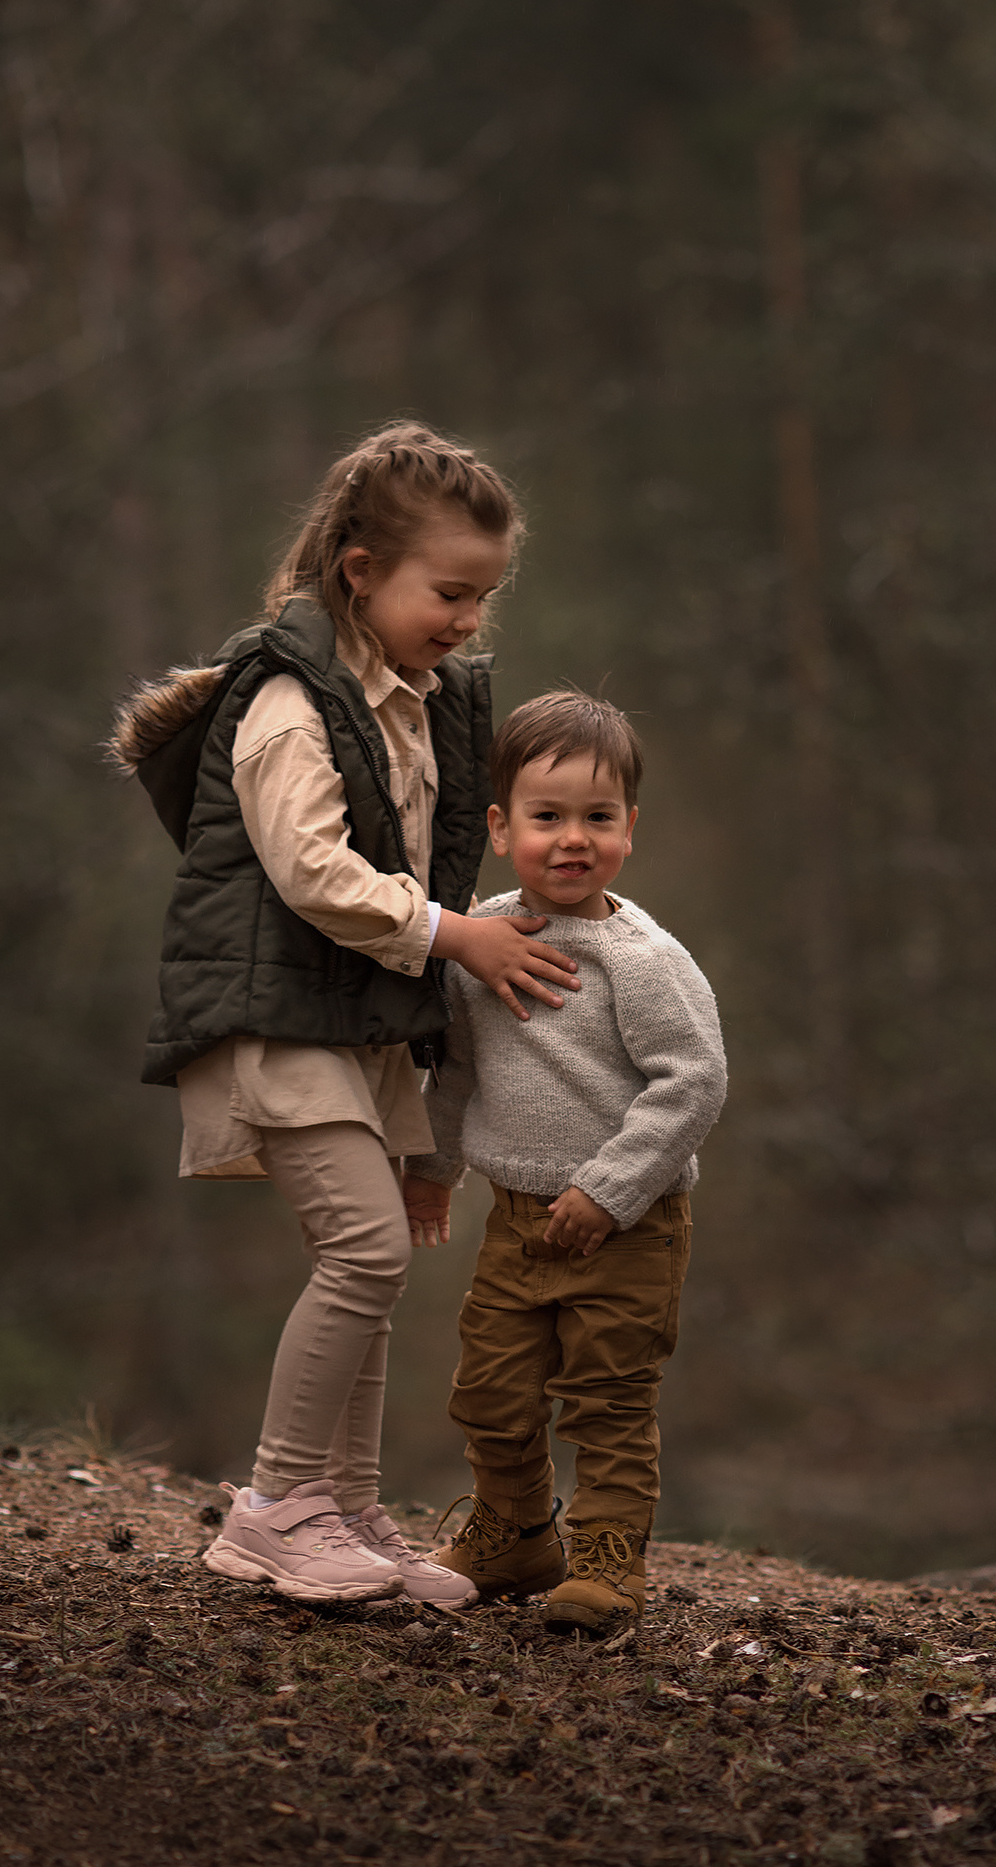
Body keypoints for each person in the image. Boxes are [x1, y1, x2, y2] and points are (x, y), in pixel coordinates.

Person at [108, 421, 583, 1608]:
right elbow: (312, 874)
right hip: (273, 1020)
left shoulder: (419, 703)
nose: (469, 618)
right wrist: (454, 935)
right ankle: (274, 1508)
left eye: (485, 595)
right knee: (362, 1250)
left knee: (370, 1263)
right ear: (361, 572)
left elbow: (418, 855)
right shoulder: (286, 702)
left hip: (356, 1023)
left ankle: (350, 1513)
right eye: (450, 592)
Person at [405, 692, 728, 1631]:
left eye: (598, 816)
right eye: (547, 816)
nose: (573, 838)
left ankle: (607, 1562)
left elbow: (695, 1082)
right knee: (490, 1392)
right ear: (502, 828)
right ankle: (513, 1533)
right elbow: (457, 1071)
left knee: (608, 1399)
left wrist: (609, 1189)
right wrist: (432, 1168)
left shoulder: (642, 958)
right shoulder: (479, 939)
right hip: (515, 1221)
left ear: (630, 827)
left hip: (627, 1229)